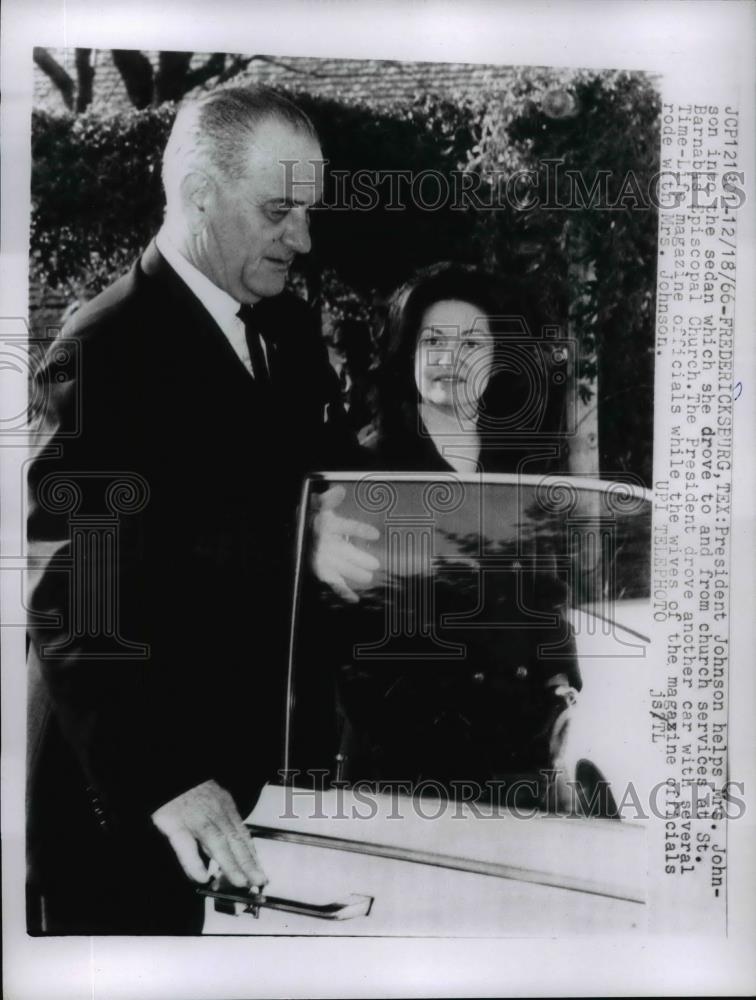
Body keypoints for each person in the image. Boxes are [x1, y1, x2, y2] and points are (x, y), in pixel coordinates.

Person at [26, 85, 378, 935]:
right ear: (197, 195)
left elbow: (276, 498)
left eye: (310, 211)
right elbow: (76, 599)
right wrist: (163, 778)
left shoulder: (286, 331)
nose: (304, 237)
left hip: (246, 802)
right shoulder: (101, 349)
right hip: (124, 813)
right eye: (278, 210)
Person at [330, 263, 581, 802]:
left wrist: (559, 686)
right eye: (434, 340)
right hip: (401, 767)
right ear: (407, 354)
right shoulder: (363, 471)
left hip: (517, 760)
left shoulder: (520, 470)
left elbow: (546, 595)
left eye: (472, 342)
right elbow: (349, 637)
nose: (451, 358)